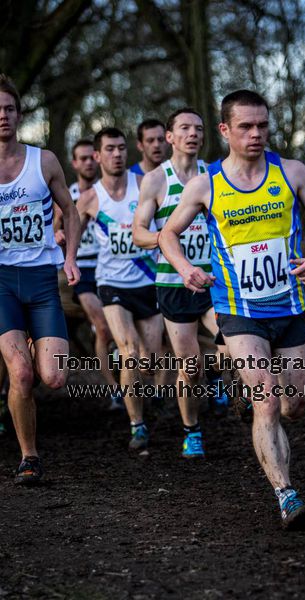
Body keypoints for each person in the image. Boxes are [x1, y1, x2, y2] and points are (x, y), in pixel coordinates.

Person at [159, 90, 305, 528]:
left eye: (262, 125)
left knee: (295, 404)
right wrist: (184, 268)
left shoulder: (291, 172)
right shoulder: (206, 184)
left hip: (290, 306)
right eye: (245, 126)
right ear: (225, 130)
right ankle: (286, 495)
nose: (256, 134)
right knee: (269, 401)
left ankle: (248, 395)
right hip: (238, 311)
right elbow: (167, 234)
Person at [133, 108, 229, 460]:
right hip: (174, 285)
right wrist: (167, 238)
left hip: (215, 282)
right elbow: (138, 232)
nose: (193, 133)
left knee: (232, 348)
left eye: (199, 128)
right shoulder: (157, 180)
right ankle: (192, 431)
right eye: (184, 128)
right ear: (170, 137)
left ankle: (220, 380)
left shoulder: (215, 174)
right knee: (190, 367)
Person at [0, 74, 81, 485]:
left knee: (54, 376)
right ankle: (29, 457)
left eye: (9, 109)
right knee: (22, 375)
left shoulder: (43, 160)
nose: (2, 116)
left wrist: (70, 258)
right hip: (1, 283)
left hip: (41, 278)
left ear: (19, 113)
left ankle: (24, 346)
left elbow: (71, 209)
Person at [77, 127, 163, 452]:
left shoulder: (145, 185)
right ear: (98, 156)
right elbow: (70, 226)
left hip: (148, 281)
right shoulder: (90, 198)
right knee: (130, 353)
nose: (117, 154)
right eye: (110, 149)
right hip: (111, 284)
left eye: (121, 148)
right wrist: (67, 253)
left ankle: (137, 375)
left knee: (150, 362)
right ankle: (137, 425)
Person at [54, 139, 121, 408]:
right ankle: (114, 389)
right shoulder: (66, 196)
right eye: (81, 159)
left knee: (114, 333)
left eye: (90, 158)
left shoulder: (111, 192)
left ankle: (120, 373)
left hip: (111, 267)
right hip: (81, 270)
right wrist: (58, 234)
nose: (88, 163)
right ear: (74, 163)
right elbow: (55, 228)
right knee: (103, 328)